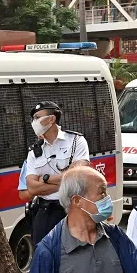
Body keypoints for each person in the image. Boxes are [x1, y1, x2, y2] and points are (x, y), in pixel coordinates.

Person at [24, 101, 90, 244]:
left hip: (72, 209)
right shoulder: (34, 152)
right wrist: (67, 180)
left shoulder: (76, 141)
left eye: (37, 117)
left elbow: (79, 176)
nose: (33, 122)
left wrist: (45, 179)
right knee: (44, 257)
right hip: (45, 212)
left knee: (76, 256)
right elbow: (32, 188)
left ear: (51, 119)